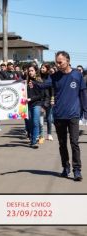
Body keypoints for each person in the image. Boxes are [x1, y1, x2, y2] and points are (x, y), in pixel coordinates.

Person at [31, 51, 87, 181]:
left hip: (73, 114)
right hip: (59, 115)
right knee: (62, 144)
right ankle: (65, 167)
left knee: (74, 143)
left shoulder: (77, 75)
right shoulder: (54, 76)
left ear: (67, 60)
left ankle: (77, 170)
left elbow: (83, 94)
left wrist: (85, 110)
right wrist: (34, 82)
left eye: (60, 62)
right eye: (56, 62)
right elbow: (45, 84)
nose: (58, 64)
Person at [27, 65, 44, 149]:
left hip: (37, 104)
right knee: (29, 123)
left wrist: (31, 98)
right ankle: (31, 137)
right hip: (28, 105)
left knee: (35, 122)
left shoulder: (39, 81)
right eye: (29, 71)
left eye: (32, 70)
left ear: (35, 71)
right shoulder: (26, 81)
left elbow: (41, 95)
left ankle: (34, 141)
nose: (30, 72)